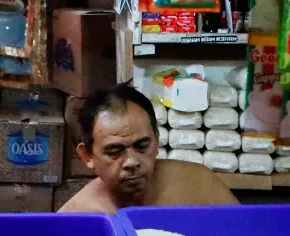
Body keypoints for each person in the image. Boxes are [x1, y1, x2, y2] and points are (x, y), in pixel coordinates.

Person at [59, 84, 239, 213]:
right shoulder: (77, 217)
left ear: (156, 139)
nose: (132, 161)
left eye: (142, 146)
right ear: (87, 156)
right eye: (115, 151)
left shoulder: (201, 184)